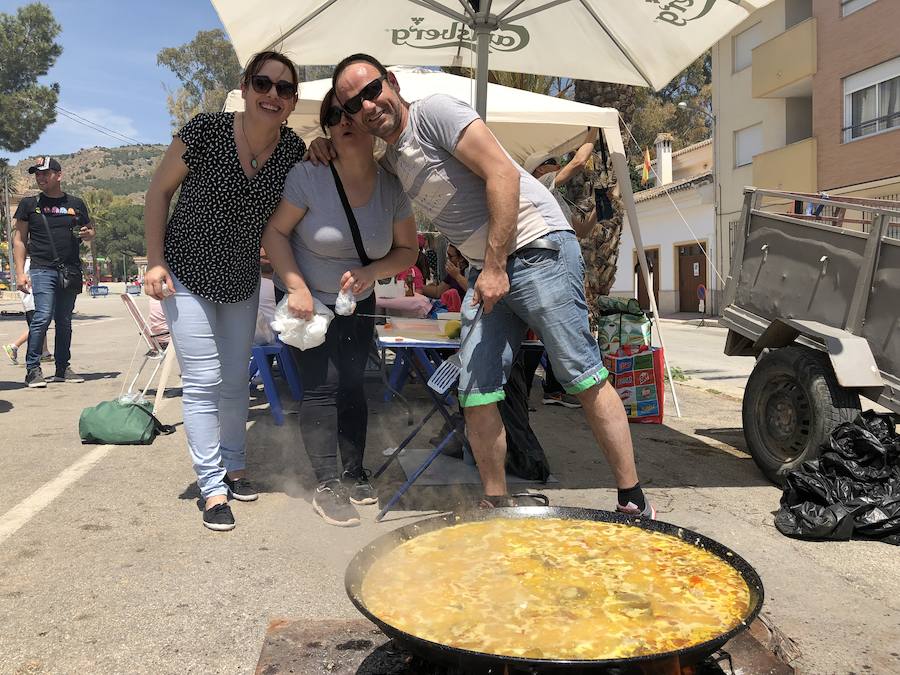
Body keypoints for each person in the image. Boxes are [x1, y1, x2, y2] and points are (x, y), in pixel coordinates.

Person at [311, 54, 654, 517]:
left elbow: (503, 174)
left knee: (580, 375)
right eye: (353, 105)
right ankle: (494, 501)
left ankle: (632, 499)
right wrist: (320, 145)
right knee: (476, 389)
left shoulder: (435, 112)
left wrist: (494, 266)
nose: (367, 106)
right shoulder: (392, 159)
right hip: (486, 272)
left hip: (537, 249)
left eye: (372, 90)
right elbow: (354, 162)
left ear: (390, 82)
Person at [143, 50, 306, 532]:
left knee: (237, 380)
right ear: (245, 86)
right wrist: (154, 261)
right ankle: (212, 486)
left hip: (240, 279)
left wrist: (322, 151)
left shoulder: (295, 150)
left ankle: (235, 467)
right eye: (263, 83)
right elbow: (158, 192)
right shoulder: (204, 131)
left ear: (293, 100)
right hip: (187, 272)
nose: (272, 95)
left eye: (284, 89)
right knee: (204, 379)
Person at [262, 88, 417, 527]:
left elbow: (407, 250)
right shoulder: (309, 174)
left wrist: (375, 271)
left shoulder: (392, 186)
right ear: (327, 127)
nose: (344, 120)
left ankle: (354, 470)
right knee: (321, 387)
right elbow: (275, 234)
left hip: (357, 303)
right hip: (304, 299)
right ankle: (327, 483)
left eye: (351, 111)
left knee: (353, 384)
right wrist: (296, 286)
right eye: (333, 115)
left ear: (370, 124)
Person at [529, 145, 602, 409]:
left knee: (559, 326)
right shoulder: (540, 183)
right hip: (552, 263)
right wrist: (592, 133)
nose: (558, 165)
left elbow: (580, 230)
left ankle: (557, 387)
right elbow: (579, 162)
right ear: (539, 169)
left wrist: (598, 212)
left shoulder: (556, 198)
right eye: (552, 162)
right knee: (561, 324)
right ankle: (557, 388)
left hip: (564, 262)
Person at [13, 157, 94, 388]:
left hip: (70, 269)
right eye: (37, 174)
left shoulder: (76, 203)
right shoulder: (30, 204)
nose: (40, 177)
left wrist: (89, 235)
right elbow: (19, 240)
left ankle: (62, 368)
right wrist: (19, 273)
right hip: (41, 268)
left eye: (45, 173)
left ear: (59, 175)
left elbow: (89, 231)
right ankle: (33, 369)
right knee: (42, 316)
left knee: (65, 320)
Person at [3, 257, 50, 365]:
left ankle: (45, 352)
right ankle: (14, 346)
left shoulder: (26, 262)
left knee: (41, 325)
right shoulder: (29, 263)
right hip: (33, 300)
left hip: (32, 299)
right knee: (37, 326)